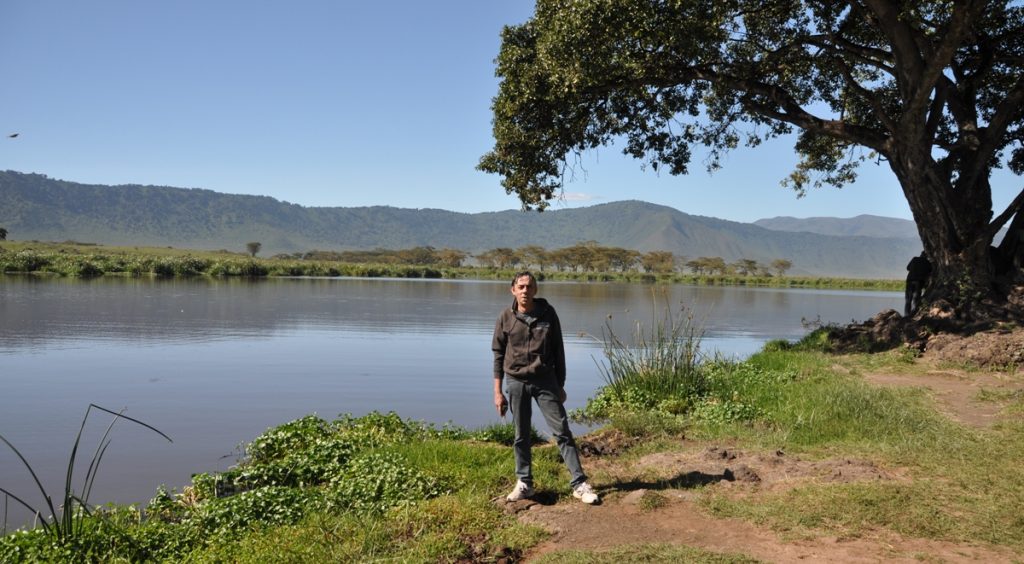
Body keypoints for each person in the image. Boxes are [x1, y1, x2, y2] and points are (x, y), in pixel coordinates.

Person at [492, 271, 599, 505]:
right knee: (521, 435)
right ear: (513, 290)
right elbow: (498, 355)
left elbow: (559, 351)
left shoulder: (548, 314)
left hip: (546, 381)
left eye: (529, 287)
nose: (525, 291)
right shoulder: (505, 317)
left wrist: (560, 385)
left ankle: (579, 484)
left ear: (535, 290)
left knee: (562, 431)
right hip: (516, 382)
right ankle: (524, 483)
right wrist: (498, 392)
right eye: (520, 287)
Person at [905, 251, 932, 316]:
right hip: (919, 282)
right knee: (916, 300)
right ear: (927, 256)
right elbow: (930, 271)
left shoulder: (914, 259)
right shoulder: (927, 262)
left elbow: (908, 268)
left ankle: (906, 315)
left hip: (910, 280)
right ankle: (913, 315)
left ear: (920, 255)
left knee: (908, 300)